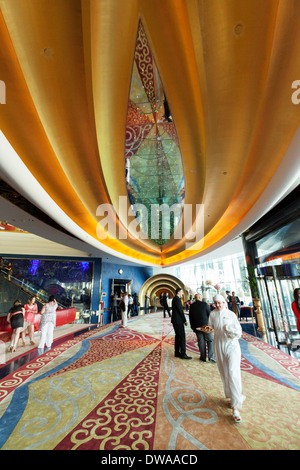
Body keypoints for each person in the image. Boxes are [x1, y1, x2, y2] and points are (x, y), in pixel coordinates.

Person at [208, 294, 245, 423]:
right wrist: (206, 330)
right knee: (224, 372)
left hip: (232, 345)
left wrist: (229, 330)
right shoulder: (212, 314)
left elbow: (238, 332)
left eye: (220, 303)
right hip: (218, 345)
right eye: (216, 303)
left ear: (224, 302)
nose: (218, 305)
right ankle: (232, 396)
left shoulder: (231, 314)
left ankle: (236, 407)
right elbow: (211, 327)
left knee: (233, 373)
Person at [189, 294, 215, 362]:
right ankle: (210, 357)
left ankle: (203, 357)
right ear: (200, 298)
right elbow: (209, 314)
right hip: (205, 326)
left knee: (201, 342)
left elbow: (190, 317)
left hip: (197, 327)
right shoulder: (205, 304)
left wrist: (192, 327)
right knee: (210, 340)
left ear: (195, 298)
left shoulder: (191, 306)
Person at [171, 288, 192, 359]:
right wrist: (184, 320)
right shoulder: (177, 299)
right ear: (179, 292)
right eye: (182, 292)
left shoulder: (174, 298)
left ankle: (177, 352)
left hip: (175, 320)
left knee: (178, 336)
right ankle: (183, 354)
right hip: (178, 321)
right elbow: (180, 310)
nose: (182, 293)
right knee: (182, 337)